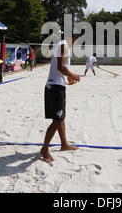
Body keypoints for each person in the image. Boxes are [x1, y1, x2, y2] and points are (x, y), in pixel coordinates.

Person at [40, 34, 80, 163]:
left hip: (57, 85)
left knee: (61, 118)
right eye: (76, 38)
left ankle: (64, 144)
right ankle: (44, 149)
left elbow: (61, 69)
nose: (76, 42)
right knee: (57, 120)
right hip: (54, 87)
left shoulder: (63, 45)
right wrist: (73, 74)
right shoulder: (63, 45)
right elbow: (60, 67)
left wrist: (68, 77)